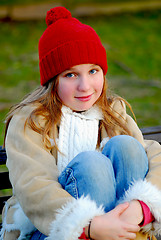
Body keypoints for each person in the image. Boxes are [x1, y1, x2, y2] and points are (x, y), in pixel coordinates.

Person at [0, 6, 161, 240]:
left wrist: (141, 207)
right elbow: (34, 187)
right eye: (71, 75)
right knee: (92, 164)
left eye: (93, 71)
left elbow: (152, 156)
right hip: (54, 229)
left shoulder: (111, 112)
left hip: (122, 227)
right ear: (52, 81)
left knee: (127, 147)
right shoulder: (30, 121)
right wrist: (90, 226)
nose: (85, 86)